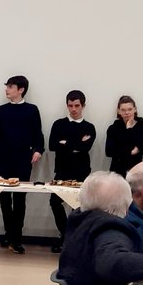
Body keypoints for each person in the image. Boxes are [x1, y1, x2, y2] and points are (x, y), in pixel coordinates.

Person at [0, 76, 44, 253]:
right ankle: (9, 233)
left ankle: (17, 237)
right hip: (3, 159)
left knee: (19, 199)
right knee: (4, 198)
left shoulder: (32, 110)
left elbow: (38, 133)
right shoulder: (2, 110)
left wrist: (38, 150)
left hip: (23, 159)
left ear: (21, 89)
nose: (7, 89)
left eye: (10, 86)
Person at [48, 90, 96, 252]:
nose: (73, 109)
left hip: (81, 171)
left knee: (79, 205)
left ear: (83, 106)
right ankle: (65, 235)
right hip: (62, 170)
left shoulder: (89, 127)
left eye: (77, 105)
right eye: (70, 106)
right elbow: (53, 145)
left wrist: (65, 143)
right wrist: (76, 144)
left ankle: (75, 239)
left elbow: (85, 148)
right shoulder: (59, 124)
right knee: (55, 201)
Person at [104, 95, 143, 177]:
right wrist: (130, 151)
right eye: (123, 110)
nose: (127, 112)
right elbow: (109, 151)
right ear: (118, 111)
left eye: (130, 109)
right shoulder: (113, 128)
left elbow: (139, 150)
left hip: (135, 169)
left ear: (135, 109)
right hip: (116, 171)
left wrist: (129, 128)